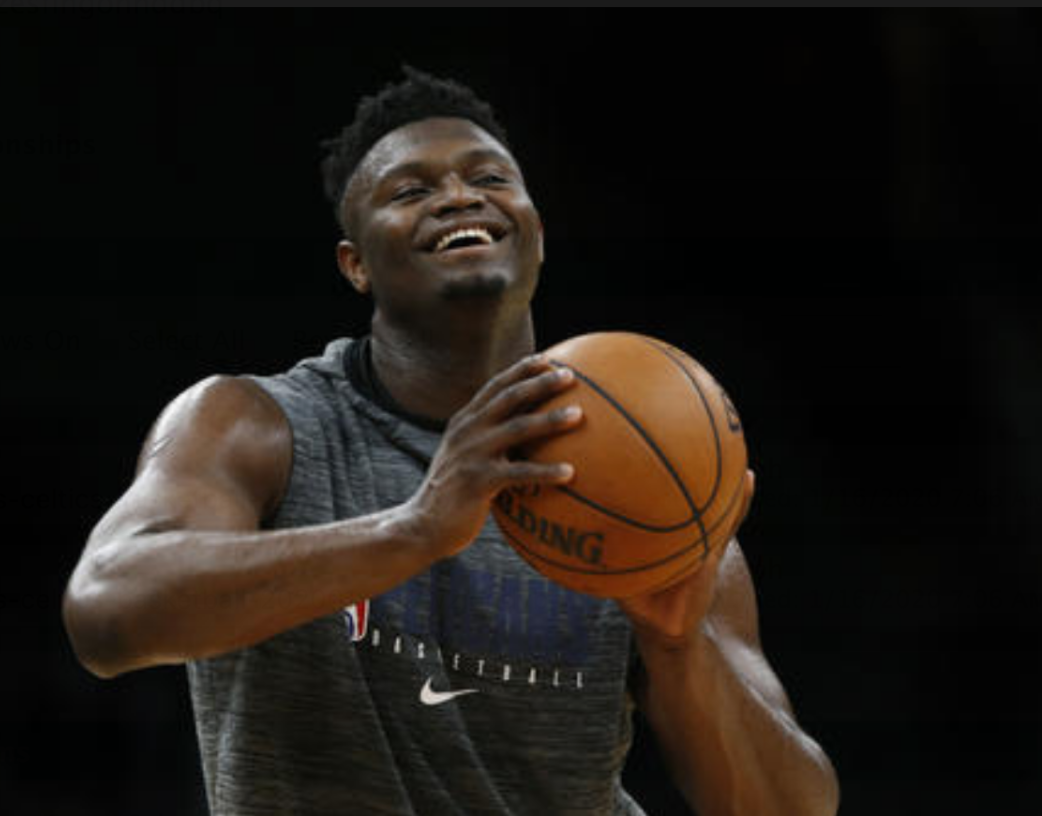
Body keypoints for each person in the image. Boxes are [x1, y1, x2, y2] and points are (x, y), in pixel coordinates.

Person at [62, 66, 839, 816]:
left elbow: (793, 806)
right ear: (355, 263)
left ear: (537, 231)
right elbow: (106, 612)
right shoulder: (256, 423)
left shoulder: (655, 471)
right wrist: (413, 530)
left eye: (492, 179)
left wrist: (678, 649)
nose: (460, 195)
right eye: (411, 190)